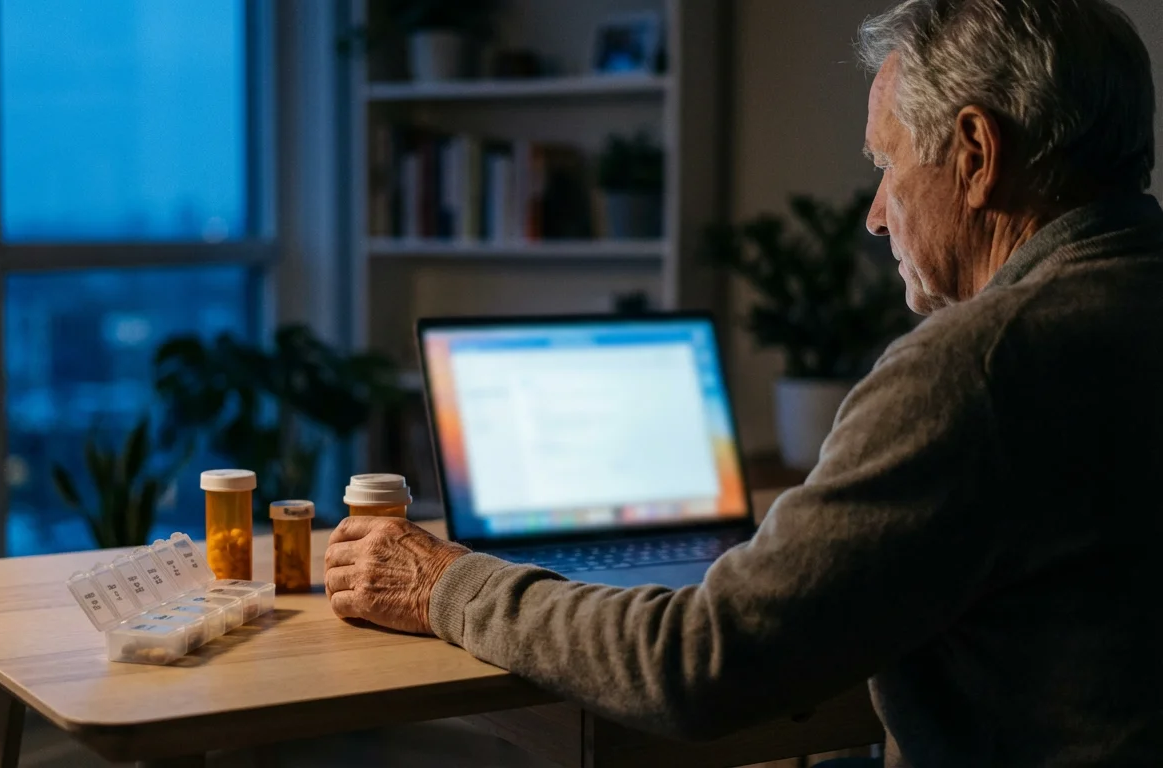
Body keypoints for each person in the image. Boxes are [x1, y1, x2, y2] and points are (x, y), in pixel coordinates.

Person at [324, 0, 1163, 764]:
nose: (875, 212)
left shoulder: (973, 370)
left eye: (887, 163)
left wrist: (446, 583)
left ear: (977, 156)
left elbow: (698, 663)